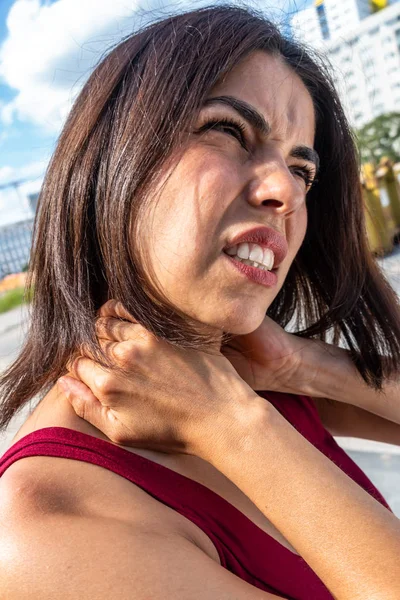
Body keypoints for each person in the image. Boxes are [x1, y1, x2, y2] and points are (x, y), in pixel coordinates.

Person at [1, 5, 400, 599]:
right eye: (229, 131)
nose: (286, 191)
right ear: (109, 165)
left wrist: (297, 365)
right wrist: (230, 426)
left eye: (301, 169)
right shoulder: (49, 527)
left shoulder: (253, 377)